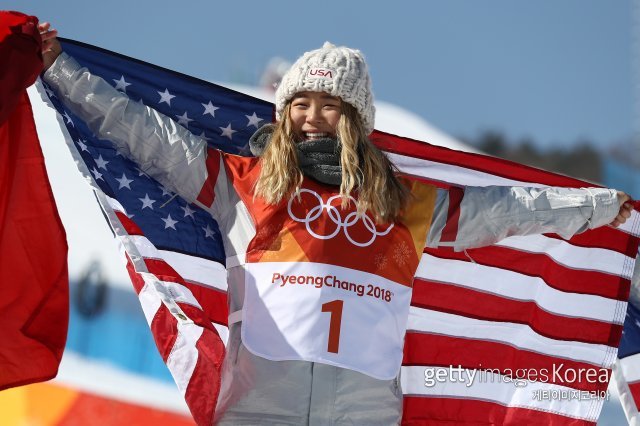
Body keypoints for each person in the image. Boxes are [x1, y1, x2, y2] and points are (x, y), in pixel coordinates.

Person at [38, 23, 633, 425]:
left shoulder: (403, 203)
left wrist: (601, 208)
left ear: (355, 118)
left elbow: (507, 213)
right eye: (300, 104)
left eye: (329, 105)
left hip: (365, 416)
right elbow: (147, 136)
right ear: (285, 112)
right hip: (256, 412)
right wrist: (60, 69)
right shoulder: (245, 183)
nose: (313, 118)